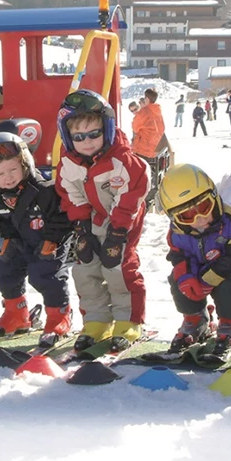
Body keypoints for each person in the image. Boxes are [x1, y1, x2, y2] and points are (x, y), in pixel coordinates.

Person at [56, 89, 150, 351]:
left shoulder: (122, 161)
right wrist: (82, 228)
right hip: (94, 219)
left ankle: (128, 320)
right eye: (79, 136)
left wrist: (118, 233)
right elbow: (71, 193)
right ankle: (96, 320)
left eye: (94, 134)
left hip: (124, 220)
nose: (87, 142)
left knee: (117, 266)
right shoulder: (69, 163)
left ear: (106, 129)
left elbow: (132, 194)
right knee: (85, 267)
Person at [0, 132, 72, 341]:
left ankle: (59, 317)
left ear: (25, 165)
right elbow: (2, 220)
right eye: (0, 174)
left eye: (13, 169)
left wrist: (52, 241)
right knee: (1, 272)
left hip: (49, 240)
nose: (8, 177)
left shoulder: (44, 191)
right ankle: (16, 314)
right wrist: (8, 238)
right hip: (20, 240)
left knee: (44, 274)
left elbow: (63, 218)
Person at [157, 164, 231, 357]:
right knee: (179, 281)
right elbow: (179, 255)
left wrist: (206, 282)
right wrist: (186, 277)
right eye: (187, 216)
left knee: (227, 288)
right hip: (200, 266)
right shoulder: (178, 232)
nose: (200, 218)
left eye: (203, 207)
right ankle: (195, 319)